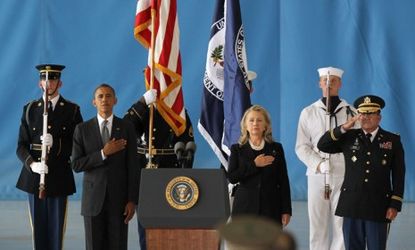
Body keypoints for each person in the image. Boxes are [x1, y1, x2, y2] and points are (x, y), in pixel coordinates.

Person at [317, 95, 405, 250]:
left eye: (370, 113)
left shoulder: (392, 141)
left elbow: (399, 175)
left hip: (378, 206)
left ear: (379, 116)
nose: (365, 117)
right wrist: (344, 127)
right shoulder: (349, 137)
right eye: (362, 114)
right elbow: (323, 145)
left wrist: (395, 204)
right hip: (352, 205)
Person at [16, 64, 83, 250]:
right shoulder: (29, 109)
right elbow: (20, 146)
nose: (48, 83)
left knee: (56, 229)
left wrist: (57, 144)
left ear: (59, 83)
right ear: (40, 83)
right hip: (34, 177)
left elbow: (79, 145)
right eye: (45, 79)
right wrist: (32, 164)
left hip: (59, 175)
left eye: (52, 79)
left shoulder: (72, 110)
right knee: (38, 229)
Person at [123, 88, 194, 250]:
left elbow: (189, 145)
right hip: (146, 172)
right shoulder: (144, 110)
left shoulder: (178, 111)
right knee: (146, 223)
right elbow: (126, 128)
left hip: (171, 171)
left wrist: (186, 177)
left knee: (171, 223)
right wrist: (142, 102)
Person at [71, 83, 140, 250]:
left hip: (119, 201)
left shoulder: (126, 127)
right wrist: (103, 153)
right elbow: (77, 164)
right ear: (94, 102)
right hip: (93, 202)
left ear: (115, 100)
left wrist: (132, 200)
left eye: (108, 96)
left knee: (118, 245)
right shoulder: (82, 129)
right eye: (100, 96)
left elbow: (133, 166)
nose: (104, 99)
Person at [295, 66, 356, 250]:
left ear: (340, 84)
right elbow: (301, 146)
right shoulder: (308, 112)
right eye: (326, 81)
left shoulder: (352, 113)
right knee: (318, 224)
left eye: (334, 81)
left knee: (342, 224)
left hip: (344, 173)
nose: (329, 84)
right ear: (320, 83)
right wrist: (319, 164)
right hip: (317, 175)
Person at [227, 105, 292, 227]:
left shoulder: (276, 148)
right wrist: (254, 165)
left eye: (259, 120)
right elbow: (232, 177)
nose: (255, 123)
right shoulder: (237, 149)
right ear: (245, 125)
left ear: (265, 126)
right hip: (244, 209)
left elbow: (283, 181)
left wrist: (286, 210)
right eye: (251, 120)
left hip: (271, 208)